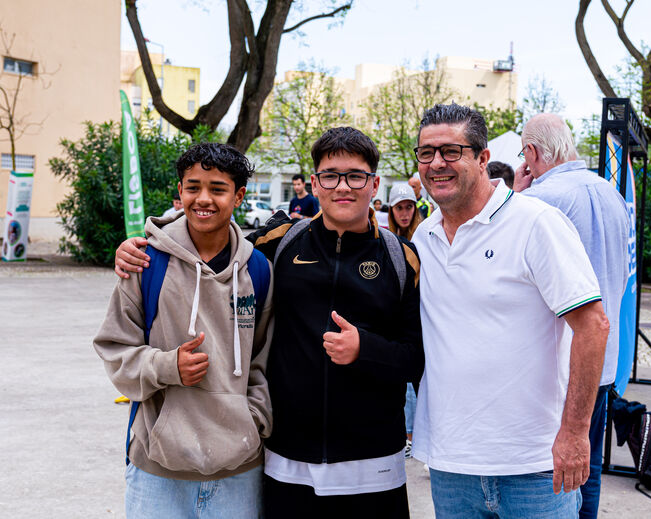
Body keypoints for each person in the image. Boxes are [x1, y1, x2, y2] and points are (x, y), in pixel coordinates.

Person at [114, 127, 424, 519]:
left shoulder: (403, 259)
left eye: (355, 175)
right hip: (287, 464)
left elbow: (417, 359)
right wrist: (141, 245)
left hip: (374, 466)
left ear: (375, 183)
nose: (342, 187)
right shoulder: (278, 243)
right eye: (330, 175)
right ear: (315, 182)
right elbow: (208, 235)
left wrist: (367, 349)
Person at [410, 103, 609, 518]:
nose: (436, 164)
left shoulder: (536, 223)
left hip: (533, 466)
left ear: (482, 159)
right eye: (426, 153)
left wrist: (575, 432)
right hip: (451, 465)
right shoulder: (424, 236)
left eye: (451, 151)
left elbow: (593, 326)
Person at [94, 143, 273, 519]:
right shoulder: (146, 261)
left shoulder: (257, 270)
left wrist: (253, 421)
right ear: (179, 192)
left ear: (238, 196)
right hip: (158, 471)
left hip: (239, 470)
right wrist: (166, 366)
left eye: (218, 189)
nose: (203, 199)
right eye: (193, 187)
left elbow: (264, 363)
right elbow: (114, 350)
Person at [514, 113, 631, 519]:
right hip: (604, 353)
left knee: (551, 466)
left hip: (559, 360)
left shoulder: (536, 200)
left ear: (531, 153)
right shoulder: (611, 193)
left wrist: (514, 194)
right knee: (588, 460)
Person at [385, 182, 423, 458]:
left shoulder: (423, 237)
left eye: (409, 206)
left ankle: (417, 437)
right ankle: (408, 436)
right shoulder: (385, 241)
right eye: (400, 207)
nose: (405, 212)